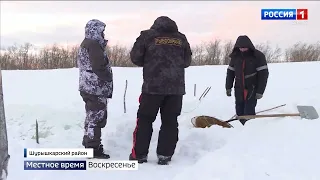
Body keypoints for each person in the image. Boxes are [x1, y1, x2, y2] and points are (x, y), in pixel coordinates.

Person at [129, 16, 192, 165]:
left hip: (152, 88)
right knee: (170, 121)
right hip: (176, 89)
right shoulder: (181, 38)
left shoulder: (147, 36)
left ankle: (139, 155)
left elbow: (135, 58)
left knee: (144, 120)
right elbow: (186, 61)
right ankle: (165, 155)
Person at [77, 19, 113, 158]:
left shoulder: (86, 43)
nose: (103, 34)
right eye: (101, 31)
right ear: (96, 30)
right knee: (96, 118)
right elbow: (98, 66)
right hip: (95, 88)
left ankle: (89, 144)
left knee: (91, 117)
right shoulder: (93, 45)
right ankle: (93, 148)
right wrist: (108, 76)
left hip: (87, 86)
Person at [225, 35, 269, 125]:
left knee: (249, 112)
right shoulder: (235, 56)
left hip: (252, 88)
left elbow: (263, 75)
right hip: (238, 88)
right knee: (239, 110)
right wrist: (228, 87)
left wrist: (260, 91)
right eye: (241, 48)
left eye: (244, 48)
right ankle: (239, 128)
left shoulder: (258, 56)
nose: (242, 50)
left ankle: (250, 131)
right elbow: (230, 73)